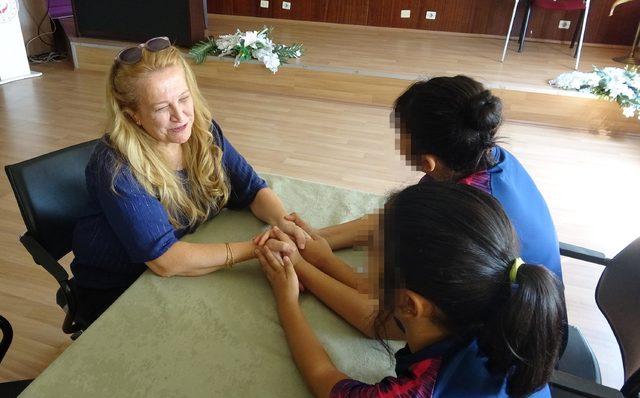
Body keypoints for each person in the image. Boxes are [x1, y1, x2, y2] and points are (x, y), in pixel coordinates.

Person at [70, 37, 305, 326]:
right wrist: (257, 248)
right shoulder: (116, 166)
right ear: (133, 116)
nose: (180, 116)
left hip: (183, 258)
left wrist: (283, 221)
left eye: (183, 98)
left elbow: (251, 189)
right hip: (119, 290)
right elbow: (165, 260)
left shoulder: (202, 129)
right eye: (161, 108)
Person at [257, 183, 566, 398]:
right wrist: (317, 262)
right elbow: (375, 313)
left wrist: (288, 302)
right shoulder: (484, 305)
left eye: (374, 250)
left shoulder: (420, 391)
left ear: (408, 303)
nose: (367, 255)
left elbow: (324, 379)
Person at [284, 75, 562, 280]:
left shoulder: (461, 218)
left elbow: (389, 311)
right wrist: (313, 238)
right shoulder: (483, 154)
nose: (399, 140)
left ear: (428, 162)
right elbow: (392, 220)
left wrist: (320, 264)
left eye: (401, 133)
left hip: (506, 338)